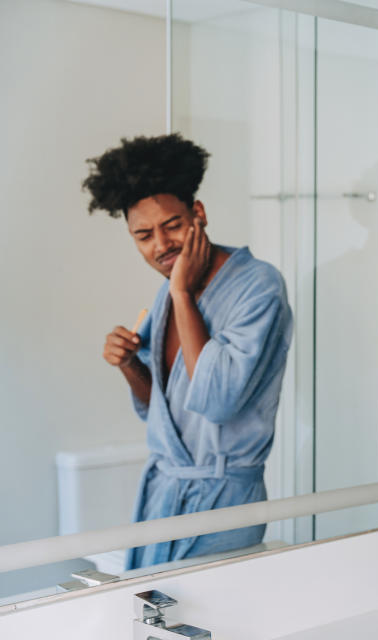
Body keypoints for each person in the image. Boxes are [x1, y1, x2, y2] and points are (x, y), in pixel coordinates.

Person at [84, 134, 293, 569]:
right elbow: (157, 409)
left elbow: (216, 401)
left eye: (172, 225)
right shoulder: (165, 298)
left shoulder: (259, 286)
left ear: (198, 214)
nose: (160, 245)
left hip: (224, 504)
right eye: (143, 235)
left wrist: (181, 292)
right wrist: (127, 365)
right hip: (164, 499)